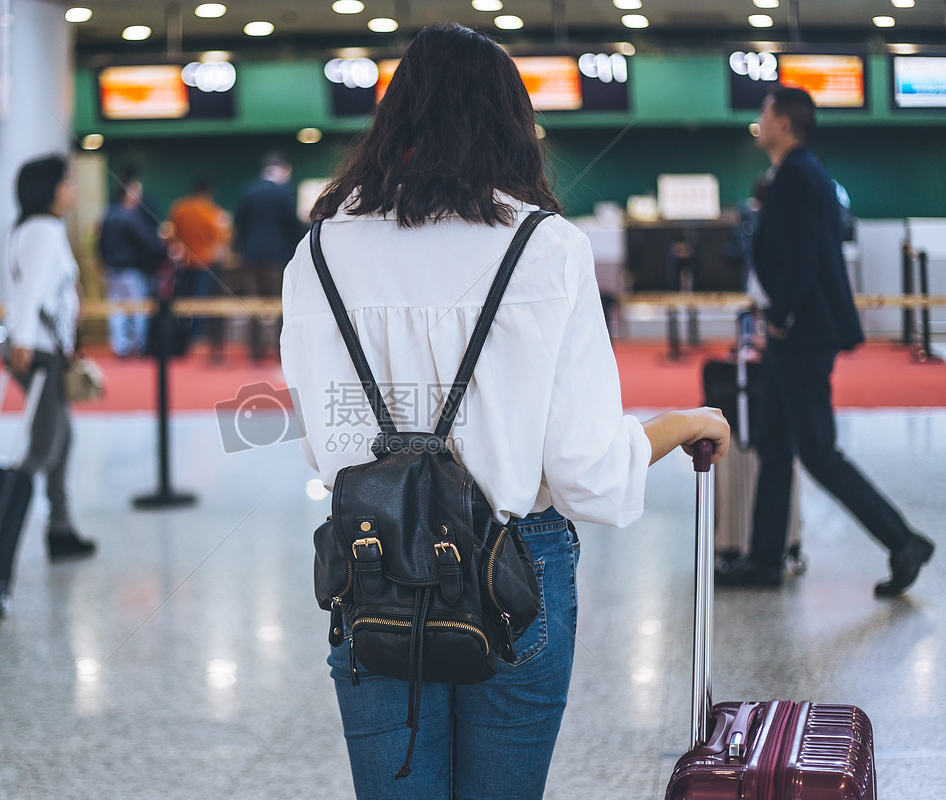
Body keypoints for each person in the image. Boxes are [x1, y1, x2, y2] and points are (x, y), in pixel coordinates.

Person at [279, 23, 731, 799]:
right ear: (512, 126)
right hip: (514, 564)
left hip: (372, 562)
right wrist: (684, 422)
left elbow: (326, 447)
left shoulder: (319, 251)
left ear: (394, 120)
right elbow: (584, 470)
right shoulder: (546, 248)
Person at [716, 87, 933, 595]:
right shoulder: (802, 171)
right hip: (800, 331)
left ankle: (903, 541)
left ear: (785, 123)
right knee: (775, 443)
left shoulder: (795, 175)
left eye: (765, 112)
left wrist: (783, 318)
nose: (759, 120)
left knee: (818, 452)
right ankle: (764, 561)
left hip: (801, 335)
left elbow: (801, 256)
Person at [5, 154, 96, 561]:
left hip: (47, 349)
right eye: (68, 181)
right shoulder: (41, 229)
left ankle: (60, 527)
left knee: (62, 438)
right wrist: (22, 341)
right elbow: (30, 291)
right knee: (45, 445)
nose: (73, 188)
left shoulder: (39, 227)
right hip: (37, 352)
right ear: (50, 188)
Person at [235, 151, 306, 362]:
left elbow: (239, 223)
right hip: (277, 257)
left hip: (251, 256)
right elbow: (293, 225)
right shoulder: (283, 193)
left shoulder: (248, 190)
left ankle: (255, 350)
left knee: (254, 301)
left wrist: (243, 250)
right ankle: (279, 349)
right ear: (283, 169)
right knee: (279, 301)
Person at [98, 171, 167, 357]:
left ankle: (120, 347)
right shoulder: (130, 216)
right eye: (136, 190)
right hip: (131, 270)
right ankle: (138, 347)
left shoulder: (108, 214)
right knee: (138, 309)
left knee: (117, 310)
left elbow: (100, 245)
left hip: (111, 270)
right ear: (127, 192)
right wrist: (166, 251)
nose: (139, 195)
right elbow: (147, 242)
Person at [167, 178, 232, 362]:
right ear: (208, 193)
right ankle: (200, 340)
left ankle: (187, 340)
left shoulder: (179, 208)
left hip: (185, 264)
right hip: (207, 264)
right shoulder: (213, 212)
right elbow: (221, 241)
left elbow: (173, 236)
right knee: (205, 304)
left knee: (186, 303)